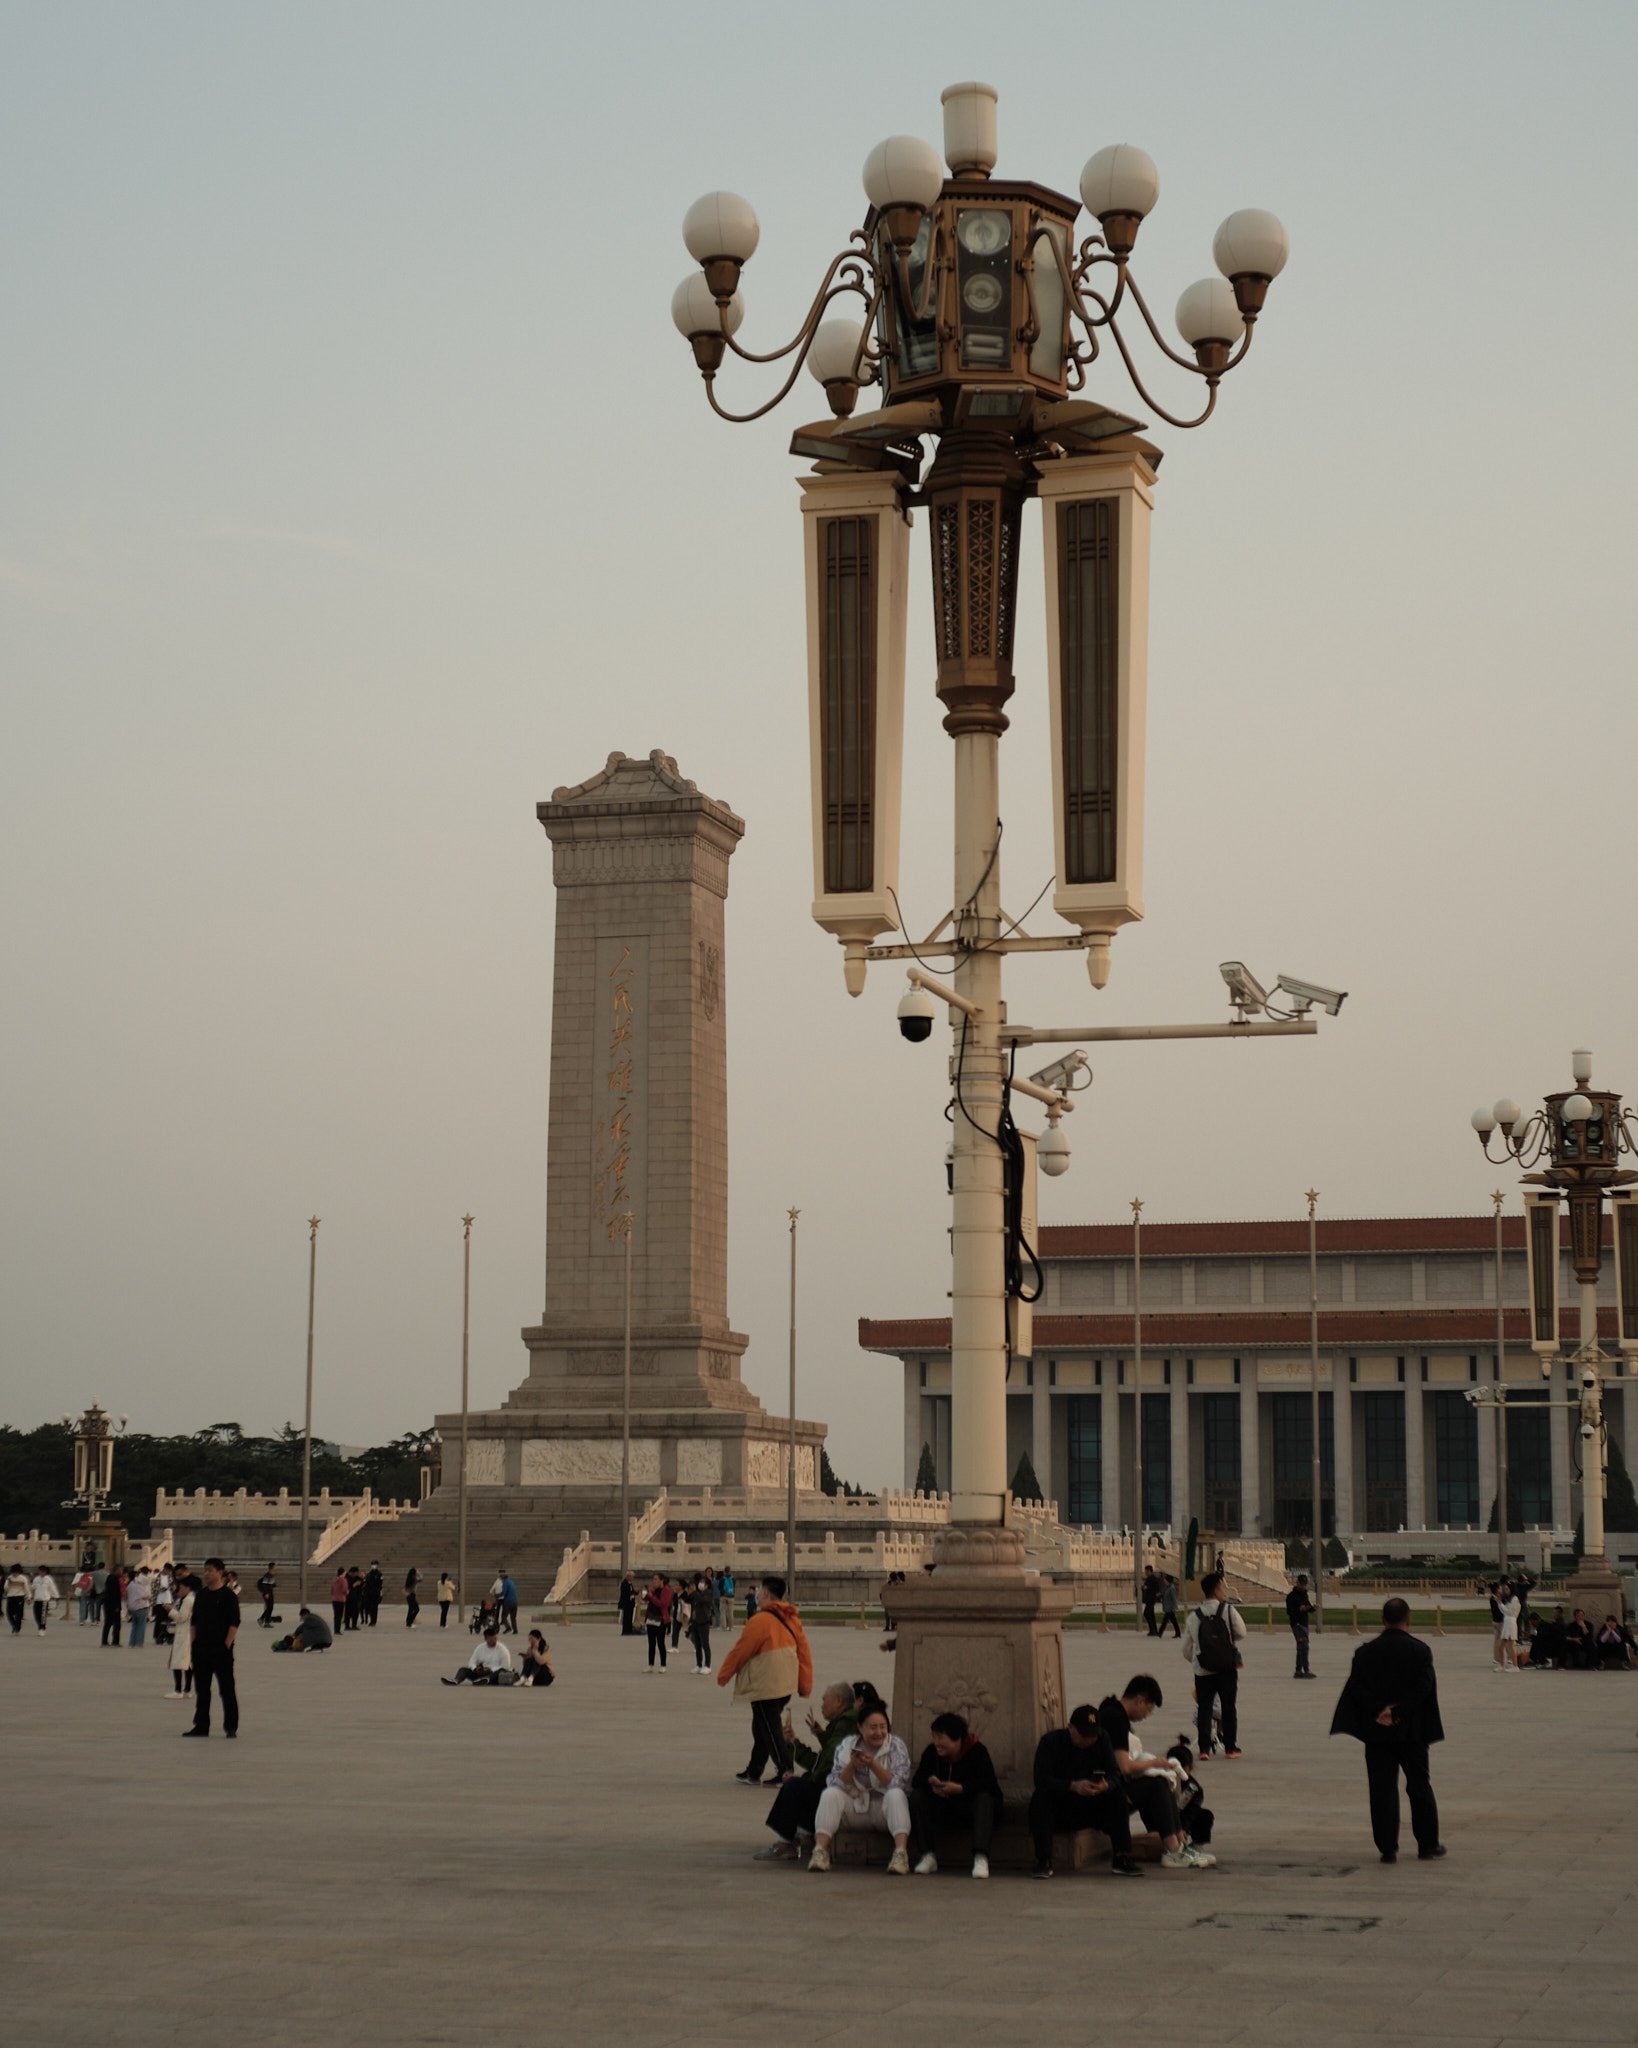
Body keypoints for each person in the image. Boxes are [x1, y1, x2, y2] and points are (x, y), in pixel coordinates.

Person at [1330, 1596, 1445, 1864]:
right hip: (1411, 1731)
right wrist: (1398, 1712)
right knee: (1419, 1785)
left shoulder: (1364, 1653)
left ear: (1382, 1620)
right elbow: (1424, 1688)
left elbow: (1356, 1689)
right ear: (1408, 1620)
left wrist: (1380, 1710)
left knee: (1382, 1789)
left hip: (1378, 1732)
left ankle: (1387, 1847)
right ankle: (1427, 1844)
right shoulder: (1420, 1651)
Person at [1096, 1677, 1214, 1869]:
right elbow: (1125, 1767)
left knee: (1161, 1780)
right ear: (1140, 1701)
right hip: (1108, 1794)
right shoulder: (1115, 1718)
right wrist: (1155, 1763)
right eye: (1148, 1710)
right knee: (1157, 1783)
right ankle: (1173, 1849)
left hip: (1111, 1787)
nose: (1146, 1716)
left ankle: (1179, 1844)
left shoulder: (1112, 1710)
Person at [718, 1574, 814, 1786]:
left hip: (766, 1684)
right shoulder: (792, 1619)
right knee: (762, 1726)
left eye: (760, 1591)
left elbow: (741, 1651)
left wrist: (724, 1674)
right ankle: (754, 1771)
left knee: (769, 1728)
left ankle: (785, 1769)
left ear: (767, 1594)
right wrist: (804, 1685)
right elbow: (804, 1653)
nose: (758, 1595)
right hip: (785, 1684)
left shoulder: (760, 1620)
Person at [1028, 1703, 1141, 1879]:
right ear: (1070, 1728)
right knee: (1041, 1797)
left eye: (1092, 1736)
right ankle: (1044, 1860)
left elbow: (1115, 1773)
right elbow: (1041, 1778)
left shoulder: (1102, 1739)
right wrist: (1072, 1786)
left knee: (1117, 1793)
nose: (1089, 1740)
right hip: (1062, 1806)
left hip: (1092, 1805)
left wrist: (1105, 1785)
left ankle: (1122, 1856)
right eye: (1084, 1735)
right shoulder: (1051, 1742)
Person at [755, 1682, 862, 1860]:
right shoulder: (845, 1723)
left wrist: (794, 1746)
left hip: (843, 1794)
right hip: (845, 1789)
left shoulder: (845, 1725)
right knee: (804, 1781)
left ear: (838, 1701)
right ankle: (805, 1836)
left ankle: (785, 1843)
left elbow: (825, 1764)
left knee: (794, 1786)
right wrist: (797, 1743)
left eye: (824, 1700)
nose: (822, 1704)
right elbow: (828, 1757)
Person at [809, 1703, 913, 1875]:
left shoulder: (895, 1745)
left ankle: (901, 1855)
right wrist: (852, 1765)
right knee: (830, 1794)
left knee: (896, 1794)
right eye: (873, 1727)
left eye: (883, 1727)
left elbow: (898, 1782)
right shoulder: (846, 1746)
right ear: (860, 1728)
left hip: (884, 1811)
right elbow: (834, 1782)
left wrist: (873, 1764)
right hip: (857, 1808)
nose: (878, 1732)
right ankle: (820, 1852)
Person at [909, 1711, 1003, 1878]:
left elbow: (989, 1784)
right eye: (934, 1737)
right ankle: (927, 1855)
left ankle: (981, 1857)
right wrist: (930, 1782)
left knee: (984, 1799)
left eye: (941, 1738)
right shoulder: (931, 1752)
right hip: (942, 1808)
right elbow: (917, 1779)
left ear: (957, 1738)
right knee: (917, 1796)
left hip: (969, 1809)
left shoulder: (977, 1751)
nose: (936, 1743)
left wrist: (961, 1788)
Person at [1182, 1570, 1247, 1759]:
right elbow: (1241, 1632)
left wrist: (1197, 1660)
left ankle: (1204, 1749)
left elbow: (1186, 1648)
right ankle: (1230, 1748)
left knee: (1205, 1707)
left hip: (1203, 1670)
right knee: (1228, 1707)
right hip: (1227, 1668)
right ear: (1217, 1589)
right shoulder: (1228, 1610)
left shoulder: (1194, 1616)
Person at [184, 1559, 241, 1739]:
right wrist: (193, 1644)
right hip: (201, 1650)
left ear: (220, 1572)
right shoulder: (201, 1595)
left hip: (221, 1651)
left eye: (210, 1570)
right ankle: (201, 1726)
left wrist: (227, 1644)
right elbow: (194, 1621)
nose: (206, 1574)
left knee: (226, 1689)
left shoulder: (229, 1596)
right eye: (205, 1570)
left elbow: (234, 1623)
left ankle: (230, 1726)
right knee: (202, 1690)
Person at [441, 1626, 514, 1685]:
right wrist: (475, 1669)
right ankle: (456, 1681)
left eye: (495, 1639)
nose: (494, 1641)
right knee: (463, 1670)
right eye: (491, 1640)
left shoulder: (503, 1650)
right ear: (485, 1639)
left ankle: (484, 1680)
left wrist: (491, 1669)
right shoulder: (480, 1647)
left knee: (501, 1671)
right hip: (481, 1673)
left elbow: (506, 1667)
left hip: (494, 1675)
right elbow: (472, 1661)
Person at [169, 1573, 196, 1698]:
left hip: (184, 1634)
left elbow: (181, 1617)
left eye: (181, 1588)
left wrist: (170, 1610)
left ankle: (178, 1690)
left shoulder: (188, 1600)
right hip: (187, 1634)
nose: (179, 1590)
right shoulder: (190, 1599)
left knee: (178, 1662)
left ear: (187, 1588)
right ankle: (187, 1690)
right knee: (187, 1663)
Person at [1287, 1573, 1316, 1679]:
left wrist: (1312, 1608)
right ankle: (1306, 1670)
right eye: (1302, 1584)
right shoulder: (1291, 1596)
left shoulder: (1304, 1595)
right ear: (1297, 1583)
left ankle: (1298, 1670)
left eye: (1305, 1584)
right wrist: (1299, 1609)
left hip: (1304, 1623)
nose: (1303, 1586)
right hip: (1297, 1624)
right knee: (1304, 1646)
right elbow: (1289, 1611)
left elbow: (1308, 1606)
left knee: (1301, 1647)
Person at [643, 1575, 672, 1672]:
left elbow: (662, 1604)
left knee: (660, 1643)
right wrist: (648, 1593)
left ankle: (663, 1665)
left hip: (661, 1620)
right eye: (653, 1579)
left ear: (661, 1581)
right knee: (651, 1643)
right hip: (651, 1618)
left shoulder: (666, 1590)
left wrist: (652, 1597)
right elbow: (645, 1599)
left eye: (656, 1579)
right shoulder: (654, 1590)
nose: (654, 1581)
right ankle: (650, 1665)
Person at [687, 1574, 714, 1674]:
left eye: (703, 1582)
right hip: (696, 1621)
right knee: (697, 1645)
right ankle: (698, 1664)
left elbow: (703, 1600)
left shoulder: (708, 1593)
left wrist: (694, 1592)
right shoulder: (697, 1593)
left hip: (704, 1621)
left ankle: (707, 1665)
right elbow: (689, 1600)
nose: (700, 1584)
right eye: (700, 1582)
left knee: (705, 1644)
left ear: (707, 1585)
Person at [1530, 1605, 1567, 1670]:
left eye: (1555, 1613)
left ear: (1560, 1614)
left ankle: (1543, 1661)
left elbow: (1544, 1636)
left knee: (1536, 1642)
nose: (1553, 1614)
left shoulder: (1560, 1625)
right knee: (1536, 1641)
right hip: (1552, 1645)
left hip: (1555, 1647)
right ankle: (1540, 1661)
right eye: (1554, 1613)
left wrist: (1532, 1636)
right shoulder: (1553, 1624)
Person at [1496, 1582, 1521, 1672]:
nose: (1505, 1591)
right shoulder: (1508, 1599)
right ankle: (1502, 1665)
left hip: (1511, 1622)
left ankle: (1515, 1666)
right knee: (1501, 1646)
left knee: (1511, 1645)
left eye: (1507, 1589)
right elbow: (1504, 1611)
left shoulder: (1515, 1599)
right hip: (1506, 1622)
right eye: (1505, 1589)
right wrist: (1499, 1603)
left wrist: (1501, 1604)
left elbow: (1510, 1612)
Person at [125, 1568, 153, 1648]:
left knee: (134, 1626)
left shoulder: (129, 1585)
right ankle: (139, 1643)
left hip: (132, 1607)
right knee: (141, 1626)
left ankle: (132, 1643)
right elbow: (146, 1595)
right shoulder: (138, 1585)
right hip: (141, 1606)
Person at [30, 1567, 61, 1635]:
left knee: (43, 1615)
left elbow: (53, 1588)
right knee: (36, 1615)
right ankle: (40, 1625)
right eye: (40, 1571)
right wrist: (31, 1580)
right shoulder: (36, 1579)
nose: (41, 1573)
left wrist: (56, 1597)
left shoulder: (49, 1579)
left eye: (43, 1572)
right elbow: (32, 1587)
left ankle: (42, 1629)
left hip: (45, 1599)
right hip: (37, 1599)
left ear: (45, 1572)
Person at [100, 1565, 126, 1645]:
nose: (122, 1572)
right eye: (121, 1570)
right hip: (113, 1605)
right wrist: (117, 1606)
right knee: (116, 1624)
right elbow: (114, 1594)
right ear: (117, 1570)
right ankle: (115, 1641)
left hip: (109, 1605)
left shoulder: (111, 1578)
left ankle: (105, 1641)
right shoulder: (113, 1579)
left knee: (108, 1623)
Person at [5, 1564, 29, 1635]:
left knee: (19, 1614)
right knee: (9, 1613)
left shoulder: (23, 1578)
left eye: (16, 1572)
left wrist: (29, 1596)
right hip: (11, 1596)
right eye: (13, 1572)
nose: (15, 1574)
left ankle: (17, 1628)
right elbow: (5, 1588)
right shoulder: (9, 1578)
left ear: (19, 1572)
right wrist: (9, 1584)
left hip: (20, 1597)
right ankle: (14, 1625)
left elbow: (26, 1588)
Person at [1158, 1574, 1182, 1638]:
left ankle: (1160, 1633)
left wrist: (1174, 1607)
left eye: (1165, 1580)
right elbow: (1165, 1595)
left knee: (1165, 1621)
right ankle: (1178, 1633)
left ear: (1168, 1580)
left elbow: (1174, 1599)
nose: (1164, 1581)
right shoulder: (1168, 1587)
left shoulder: (1171, 1588)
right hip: (1168, 1607)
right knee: (1173, 1621)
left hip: (1170, 1608)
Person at [256, 1562, 279, 1630]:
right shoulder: (267, 1575)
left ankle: (264, 1620)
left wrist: (274, 1585)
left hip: (270, 1593)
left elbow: (269, 1584)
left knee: (270, 1607)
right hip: (267, 1594)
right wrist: (266, 1593)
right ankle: (263, 1620)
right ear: (272, 1567)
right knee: (270, 1607)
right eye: (275, 1566)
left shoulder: (271, 1575)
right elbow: (264, 1585)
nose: (276, 1568)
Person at [1141, 1566, 1160, 1636]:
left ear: (1149, 1571)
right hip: (1148, 1599)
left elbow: (1155, 1589)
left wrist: (1147, 1588)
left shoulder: (1153, 1579)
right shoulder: (1148, 1579)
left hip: (1151, 1600)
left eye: (1146, 1571)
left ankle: (1153, 1630)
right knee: (1151, 1615)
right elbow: (1145, 1587)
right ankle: (1153, 1630)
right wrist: (1143, 1587)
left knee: (1147, 1613)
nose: (1145, 1572)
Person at [363, 1562, 384, 1627]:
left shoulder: (379, 1574)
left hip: (375, 1593)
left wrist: (380, 1593)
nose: (373, 1566)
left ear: (377, 1565)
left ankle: (373, 1621)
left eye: (374, 1564)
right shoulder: (369, 1574)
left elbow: (380, 1584)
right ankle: (372, 1619)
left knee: (374, 1608)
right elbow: (365, 1582)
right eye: (372, 1564)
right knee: (369, 1607)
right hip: (369, 1593)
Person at [329, 1569, 349, 1637]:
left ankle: (336, 1629)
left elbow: (331, 1590)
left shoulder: (334, 1579)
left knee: (336, 1615)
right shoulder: (343, 1580)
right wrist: (347, 1592)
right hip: (341, 1599)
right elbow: (344, 1589)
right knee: (339, 1615)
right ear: (343, 1573)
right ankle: (338, 1630)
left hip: (334, 1599)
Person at [498, 1572, 519, 1636]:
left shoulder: (505, 1583)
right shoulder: (511, 1582)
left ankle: (508, 1628)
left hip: (508, 1602)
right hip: (515, 1602)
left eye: (500, 1578)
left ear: (502, 1578)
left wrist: (497, 1595)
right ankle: (515, 1630)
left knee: (504, 1616)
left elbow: (503, 1593)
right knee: (513, 1617)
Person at [344, 1567, 364, 1632]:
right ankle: (347, 1626)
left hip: (356, 1598)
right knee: (348, 1612)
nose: (356, 1574)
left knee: (355, 1612)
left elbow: (361, 1582)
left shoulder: (356, 1578)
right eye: (356, 1573)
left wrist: (362, 1579)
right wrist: (354, 1585)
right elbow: (347, 1587)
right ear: (352, 1572)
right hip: (348, 1598)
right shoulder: (346, 1578)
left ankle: (354, 1625)